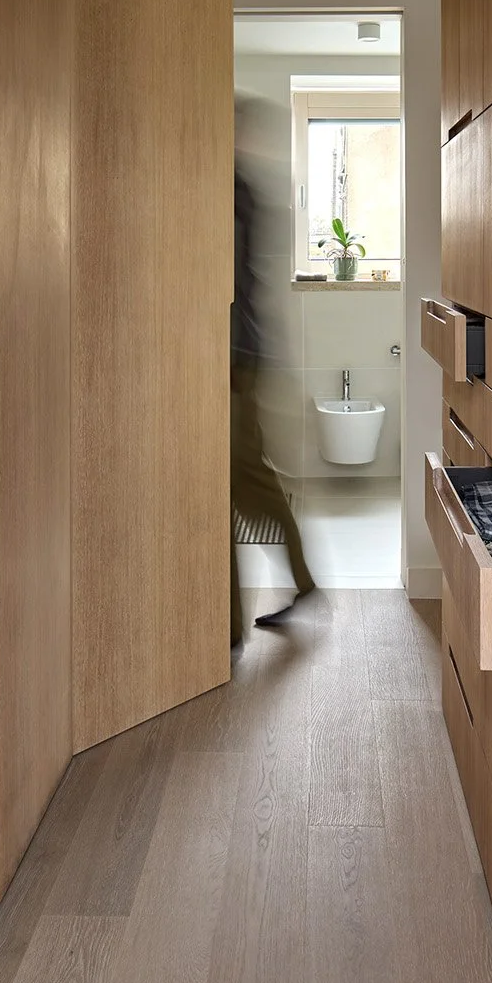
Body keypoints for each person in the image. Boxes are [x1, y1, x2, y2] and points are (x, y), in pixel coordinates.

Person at [231, 95, 315, 645]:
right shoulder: (235, 187)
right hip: (242, 353)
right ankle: (233, 622)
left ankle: (235, 622)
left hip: (237, 356)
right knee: (238, 477)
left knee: (244, 477)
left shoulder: (233, 190)